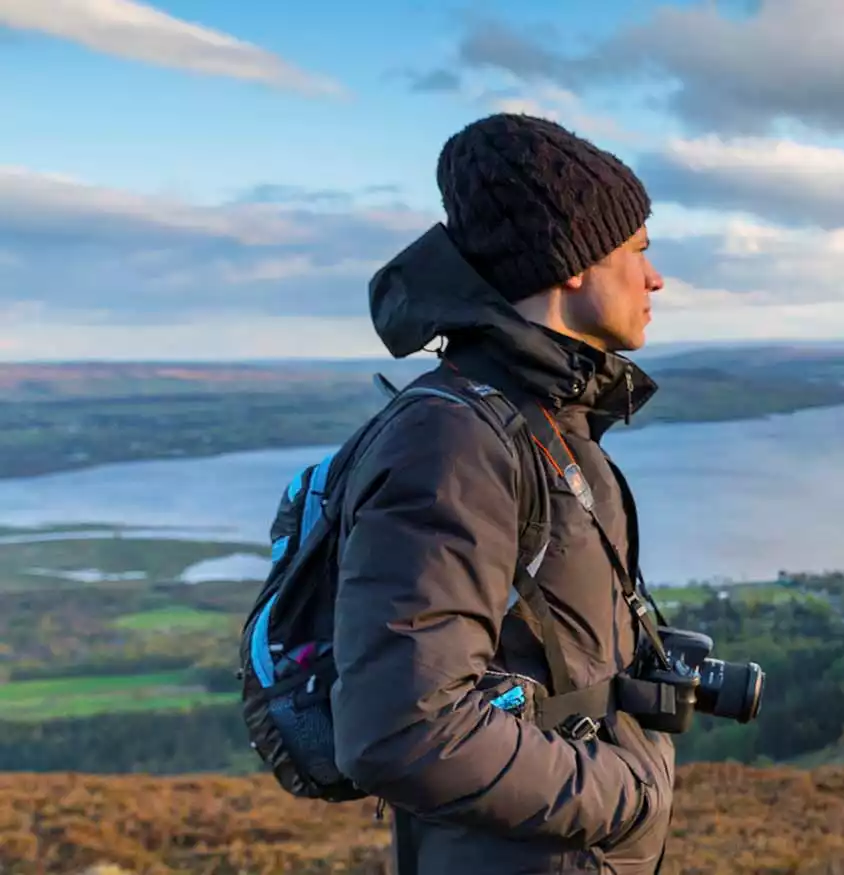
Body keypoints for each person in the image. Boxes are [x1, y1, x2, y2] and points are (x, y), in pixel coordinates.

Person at [327, 112, 675, 875]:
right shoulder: (455, 440)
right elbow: (402, 729)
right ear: (575, 261)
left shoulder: (539, 419)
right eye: (639, 251)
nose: (655, 278)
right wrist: (629, 792)